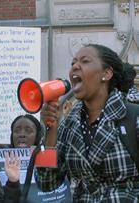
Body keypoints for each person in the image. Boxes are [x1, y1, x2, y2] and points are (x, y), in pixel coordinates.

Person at [36, 44, 139, 202]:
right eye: (73, 63)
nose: (75, 66)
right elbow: (46, 183)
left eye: (85, 61)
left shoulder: (133, 117)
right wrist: (51, 131)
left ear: (106, 73)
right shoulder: (69, 124)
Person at [10, 114, 71, 203]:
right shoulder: (1, 163)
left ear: (38, 135)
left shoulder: (56, 153)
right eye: (17, 130)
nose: (22, 134)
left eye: (28, 131)